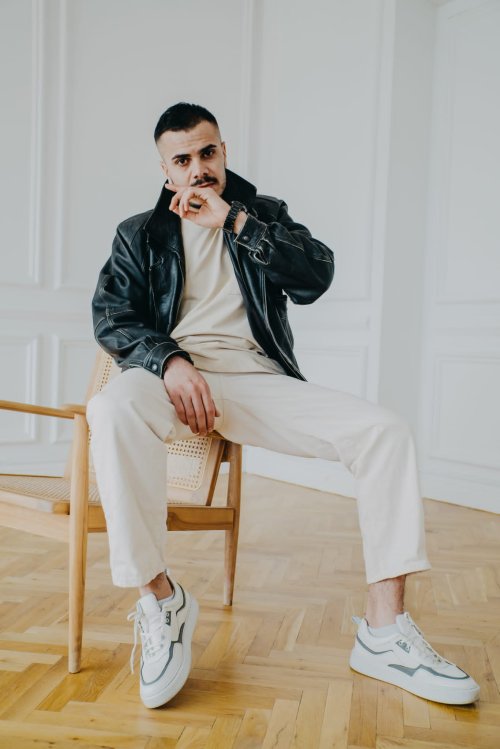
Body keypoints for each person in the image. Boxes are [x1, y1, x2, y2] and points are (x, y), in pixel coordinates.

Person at [87, 102, 479, 709]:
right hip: (175, 379)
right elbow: (112, 316)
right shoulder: (139, 233)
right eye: (182, 160)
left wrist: (235, 222)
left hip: (255, 381)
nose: (198, 169)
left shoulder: (263, 214)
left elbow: (315, 277)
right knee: (111, 407)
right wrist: (170, 360)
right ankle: (160, 600)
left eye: (208, 153)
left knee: (386, 431)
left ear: (224, 151)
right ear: (165, 171)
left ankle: (383, 632)